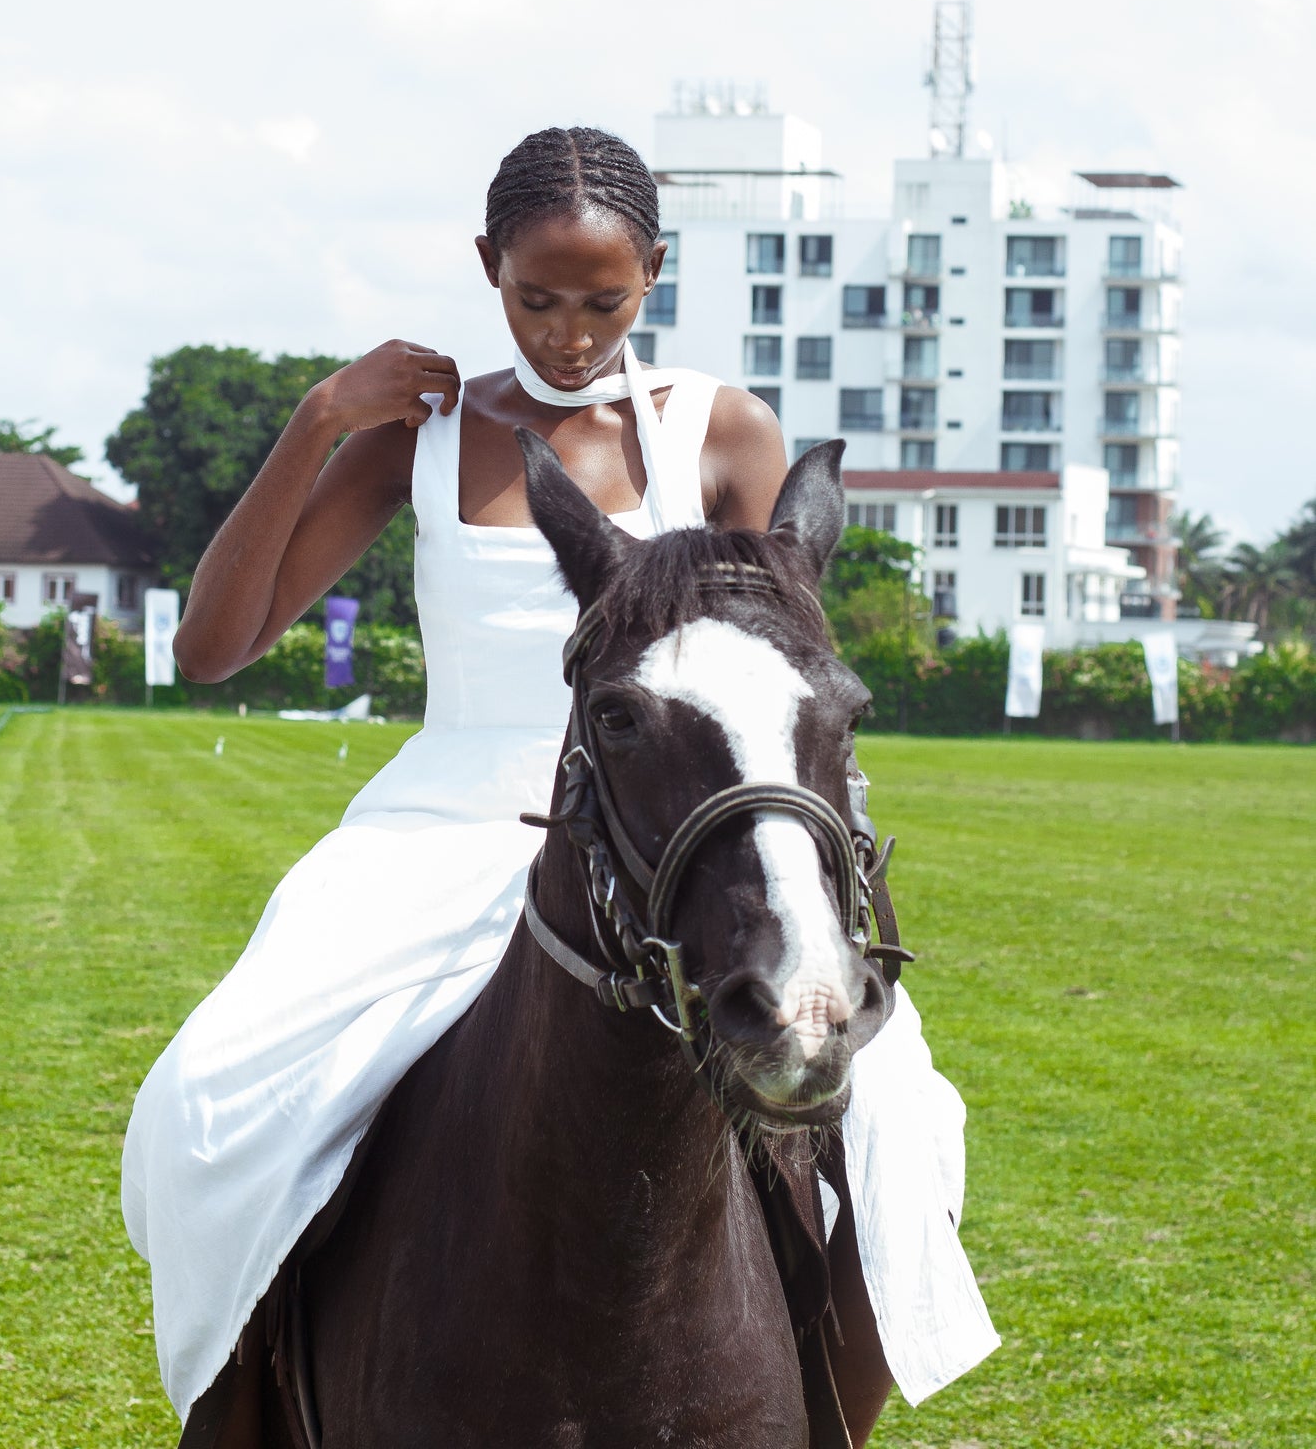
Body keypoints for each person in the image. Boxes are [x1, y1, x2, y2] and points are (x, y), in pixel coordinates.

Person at [122, 125, 997, 1441]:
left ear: (654, 272)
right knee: (203, 1098)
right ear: (488, 268)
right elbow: (210, 649)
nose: (570, 332)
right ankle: (245, 1410)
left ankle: (828, 1414)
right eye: (536, 298)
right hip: (436, 825)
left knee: (903, 1117)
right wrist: (316, 421)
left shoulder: (719, 428)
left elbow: (784, 664)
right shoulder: (415, 435)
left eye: (603, 300)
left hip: (668, 824)